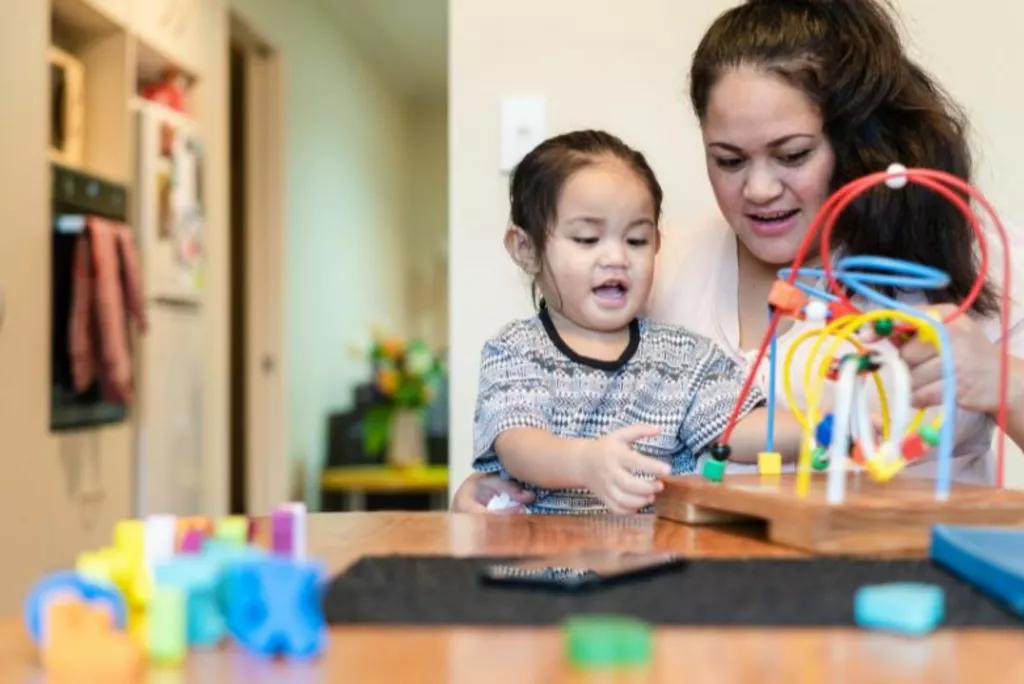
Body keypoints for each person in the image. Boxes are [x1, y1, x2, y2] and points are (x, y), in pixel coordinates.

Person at [452, 0, 1024, 513]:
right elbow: (572, 413)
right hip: (718, 600)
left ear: (853, 141)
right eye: (728, 160)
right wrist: (497, 494)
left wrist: (1004, 384)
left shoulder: (968, 261)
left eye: (792, 154)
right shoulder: (653, 261)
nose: (758, 190)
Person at [472, 129, 802, 514]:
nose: (617, 257)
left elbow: (736, 431)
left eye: (636, 241)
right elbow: (520, 446)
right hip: (543, 560)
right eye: (587, 239)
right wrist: (584, 462)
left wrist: (839, 425)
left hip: (653, 560)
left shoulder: (684, 356)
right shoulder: (515, 349)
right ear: (526, 250)